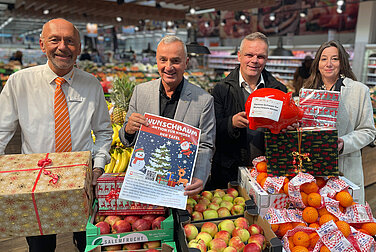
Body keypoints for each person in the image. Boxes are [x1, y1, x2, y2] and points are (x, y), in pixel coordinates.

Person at [0, 18, 112, 252]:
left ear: (79, 48)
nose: (63, 47)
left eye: (70, 41)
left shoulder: (91, 85)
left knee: (87, 245)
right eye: (55, 40)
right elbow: (2, 130)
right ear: (42, 45)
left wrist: (98, 167)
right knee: (40, 247)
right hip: (35, 184)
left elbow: (103, 131)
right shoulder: (19, 82)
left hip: (83, 182)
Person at [119, 35, 216, 195]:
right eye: (163, 60)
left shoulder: (204, 100)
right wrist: (129, 130)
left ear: (186, 62)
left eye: (175, 61)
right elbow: (126, 139)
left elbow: (205, 146)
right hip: (145, 184)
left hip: (181, 186)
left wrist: (200, 176)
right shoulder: (140, 92)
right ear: (156, 61)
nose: (168, 67)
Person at [206, 32, 287, 189]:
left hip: (266, 174)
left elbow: (284, 132)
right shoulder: (221, 89)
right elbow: (211, 129)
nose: (254, 61)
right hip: (228, 173)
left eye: (260, 56)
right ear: (239, 56)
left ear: (266, 59)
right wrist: (231, 123)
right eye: (249, 55)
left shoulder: (279, 90)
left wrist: (286, 126)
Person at [303, 40, 376, 204]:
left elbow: (368, 131)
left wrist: (344, 142)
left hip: (345, 167)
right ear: (317, 63)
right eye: (323, 59)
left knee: (345, 219)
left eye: (334, 59)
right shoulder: (307, 91)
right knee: (317, 216)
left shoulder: (359, 90)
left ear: (342, 62)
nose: (329, 64)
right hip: (314, 171)